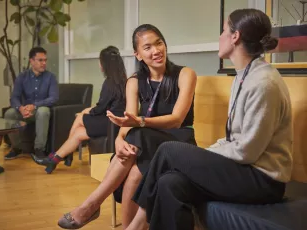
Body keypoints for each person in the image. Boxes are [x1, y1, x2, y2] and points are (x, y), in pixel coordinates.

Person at [124, 9, 293, 230]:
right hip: (244, 169)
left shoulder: (263, 82)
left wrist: (201, 156)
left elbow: (246, 151)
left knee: (168, 150)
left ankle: (135, 226)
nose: (220, 37)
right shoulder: (244, 76)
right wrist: (204, 155)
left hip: (263, 180)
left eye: (224, 31)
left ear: (235, 37)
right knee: (169, 183)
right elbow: (234, 139)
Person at [56, 24, 197, 229]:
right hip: (147, 142)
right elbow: (128, 121)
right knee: (134, 170)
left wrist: (139, 122)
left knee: (138, 138)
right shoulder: (135, 81)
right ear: (138, 54)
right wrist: (119, 140)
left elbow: (176, 119)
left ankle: (92, 204)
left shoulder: (185, 74)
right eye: (147, 47)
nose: (156, 50)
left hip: (178, 141)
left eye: (159, 43)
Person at [34, 46, 127, 173]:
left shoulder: (109, 83)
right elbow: (106, 105)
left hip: (111, 123)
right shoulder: (122, 80)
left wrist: (87, 111)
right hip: (114, 121)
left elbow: (101, 108)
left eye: (100, 61)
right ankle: (54, 160)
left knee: (80, 117)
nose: (99, 64)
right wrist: (89, 110)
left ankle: (66, 156)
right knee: (78, 133)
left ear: (105, 64)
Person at [4, 47, 59, 160]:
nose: (44, 63)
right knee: (9, 113)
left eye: (45, 60)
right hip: (24, 113)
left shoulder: (51, 77)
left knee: (43, 111)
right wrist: (21, 108)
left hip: (39, 112)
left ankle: (39, 149)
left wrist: (34, 106)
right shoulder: (22, 77)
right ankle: (17, 148)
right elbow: (14, 97)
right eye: (40, 60)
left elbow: (53, 98)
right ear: (31, 61)